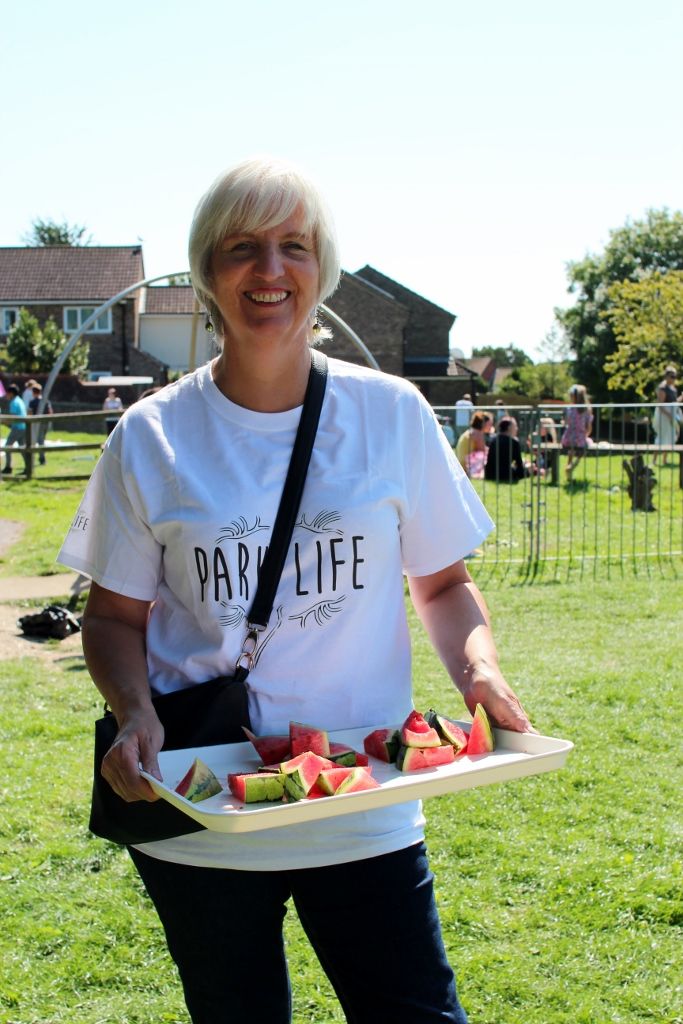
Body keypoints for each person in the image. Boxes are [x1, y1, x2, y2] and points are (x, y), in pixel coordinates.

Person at [58, 157, 533, 1024]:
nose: (269, 270)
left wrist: (477, 671)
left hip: (363, 802)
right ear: (206, 270)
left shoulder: (391, 414)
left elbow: (444, 583)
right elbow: (114, 617)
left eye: (293, 246)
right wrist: (133, 712)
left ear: (324, 268)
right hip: (204, 810)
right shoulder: (150, 435)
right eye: (242, 247)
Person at [561, 384, 593, 480]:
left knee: (571, 450)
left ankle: (568, 468)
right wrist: (585, 435)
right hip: (579, 438)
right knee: (584, 448)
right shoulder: (586, 410)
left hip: (567, 438)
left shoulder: (569, 409)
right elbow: (588, 428)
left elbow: (565, 423)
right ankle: (572, 466)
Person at [484, 416, 528, 483]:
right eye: (515, 426)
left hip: (490, 474)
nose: (517, 428)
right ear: (509, 428)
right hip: (505, 475)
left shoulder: (493, 440)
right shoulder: (514, 442)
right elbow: (519, 467)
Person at [652, 365, 680, 466]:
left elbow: (674, 402)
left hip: (671, 415)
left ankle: (664, 460)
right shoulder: (662, 388)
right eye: (672, 376)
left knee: (670, 436)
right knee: (661, 437)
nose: (673, 378)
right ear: (666, 376)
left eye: (675, 376)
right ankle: (654, 460)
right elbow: (660, 405)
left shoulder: (673, 389)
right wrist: (669, 415)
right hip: (663, 416)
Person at [2, 384, 28, 475]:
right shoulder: (19, 400)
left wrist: (3, 421)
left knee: (7, 447)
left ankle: (8, 468)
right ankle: (28, 467)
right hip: (23, 427)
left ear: (11, 393)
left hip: (17, 428)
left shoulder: (14, 402)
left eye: (8, 393)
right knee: (23, 448)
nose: (7, 395)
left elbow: (13, 417)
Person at [454, 410, 489, 478]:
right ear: (483, 424)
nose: (491, 426)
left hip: (460, 465)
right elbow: (483, 451)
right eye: (489, 424)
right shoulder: (478, 433)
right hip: (466, 466)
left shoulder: (471, 431)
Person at [28, 384, 53, 465]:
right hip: (46, 423)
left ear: (33, 392)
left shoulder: (32, 402)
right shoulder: (46, 401)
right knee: (42, 440)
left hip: (37, 424)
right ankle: (41, 457)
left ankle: (42, 459)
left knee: (39, 441)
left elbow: (30, 414)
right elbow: (50, 412)